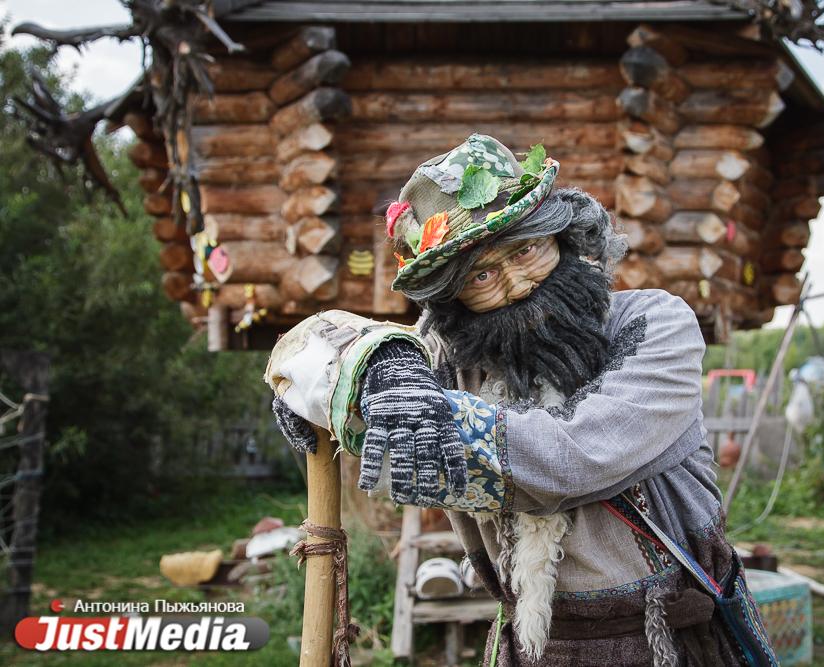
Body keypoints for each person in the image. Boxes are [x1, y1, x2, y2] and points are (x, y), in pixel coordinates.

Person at [267, 135, 774, 666]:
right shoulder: (448, 362)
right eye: (482, 275)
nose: (518, 285)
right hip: (527, 650)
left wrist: (401, 408)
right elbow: (317, 346)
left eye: (527, 250)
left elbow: (572, 458)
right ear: (451, 297)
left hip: (672, 644)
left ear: (561, 235)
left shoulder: (655, 324)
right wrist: (370, 366)